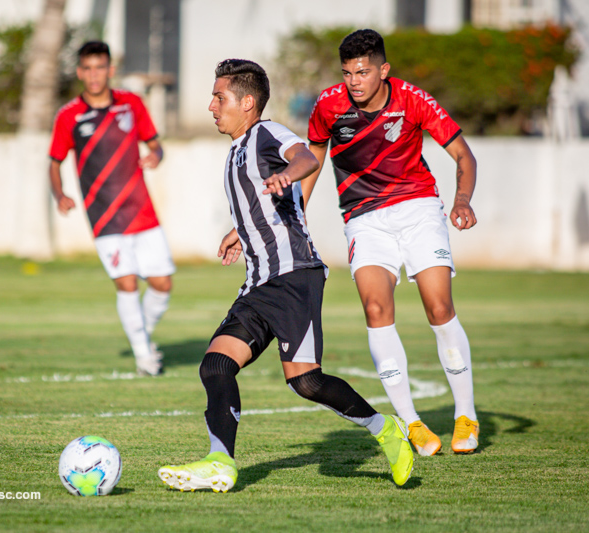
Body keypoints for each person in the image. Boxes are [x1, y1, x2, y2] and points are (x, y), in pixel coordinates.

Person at [157, 59, 413, 493]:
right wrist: (240, 230)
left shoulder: (265, 133)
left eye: (219, 97)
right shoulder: (237, 150)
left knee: (306, 381)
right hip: (259, 283)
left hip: (294, 276)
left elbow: (304, 158)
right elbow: (265, 203)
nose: (211, 106)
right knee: (216, 366)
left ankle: (385, 428)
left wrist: (288, 175)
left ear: (247, 102)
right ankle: (221, 462)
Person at [303, 29, 479, 456]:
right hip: (363, 219)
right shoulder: (328, 105)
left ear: (383, 70)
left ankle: (466, 415)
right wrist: (297, 213)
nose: (354, 82)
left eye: (363, 72)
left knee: (439, 307)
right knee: (376, 309)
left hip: (418, 210)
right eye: (347, 73)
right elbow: (313, 157)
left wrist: (461, 201)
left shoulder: (414, 100)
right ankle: (412, 424)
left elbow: (464, 155)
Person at [48, 41, 174, 376]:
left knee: (162, 283)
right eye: (87, 68)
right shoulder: (68, 115)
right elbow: (54, 162)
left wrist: (155, 157)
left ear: (110, 70)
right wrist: (59, 194)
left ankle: (142, 334)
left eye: (99, 67)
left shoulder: (131, 104)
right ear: (79, 72)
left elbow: (155, 145)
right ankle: (144, 355)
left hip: (141, 210)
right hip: (103, 215)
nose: (93, 75)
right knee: (127, 283)